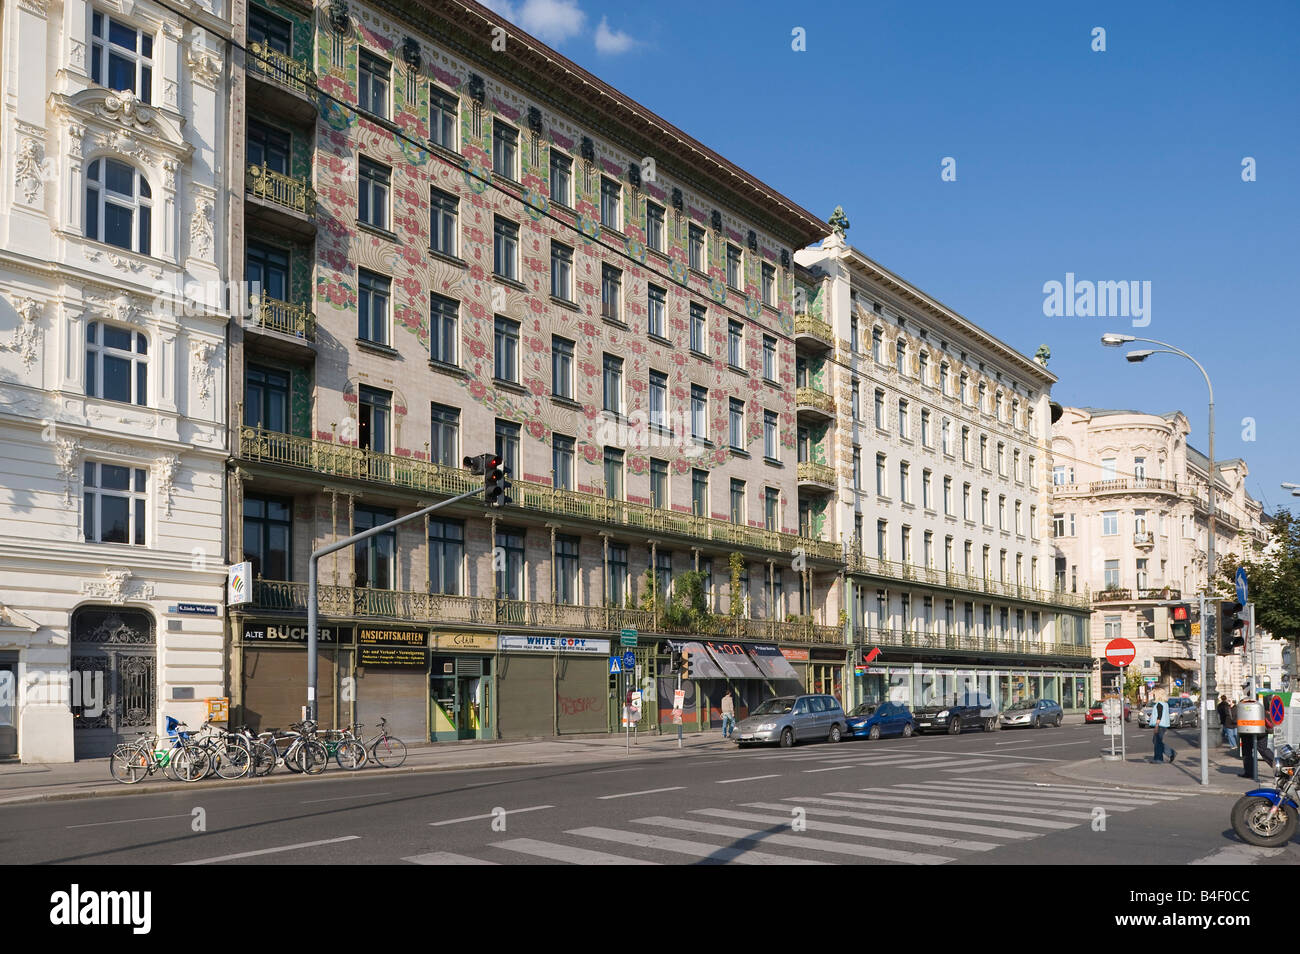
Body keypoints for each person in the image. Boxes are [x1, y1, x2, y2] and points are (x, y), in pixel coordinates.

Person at [1151, 693, 1175, 764]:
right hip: (1163, 725)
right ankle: (1170, 753)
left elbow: (1159, 716)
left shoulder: (1159, 704)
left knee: (1157, 741)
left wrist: (1156, 725)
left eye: (1154, 694)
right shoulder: (1165, 704)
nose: (1153, 696)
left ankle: (1159, 759)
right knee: (1156, 741)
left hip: (1160, 725)